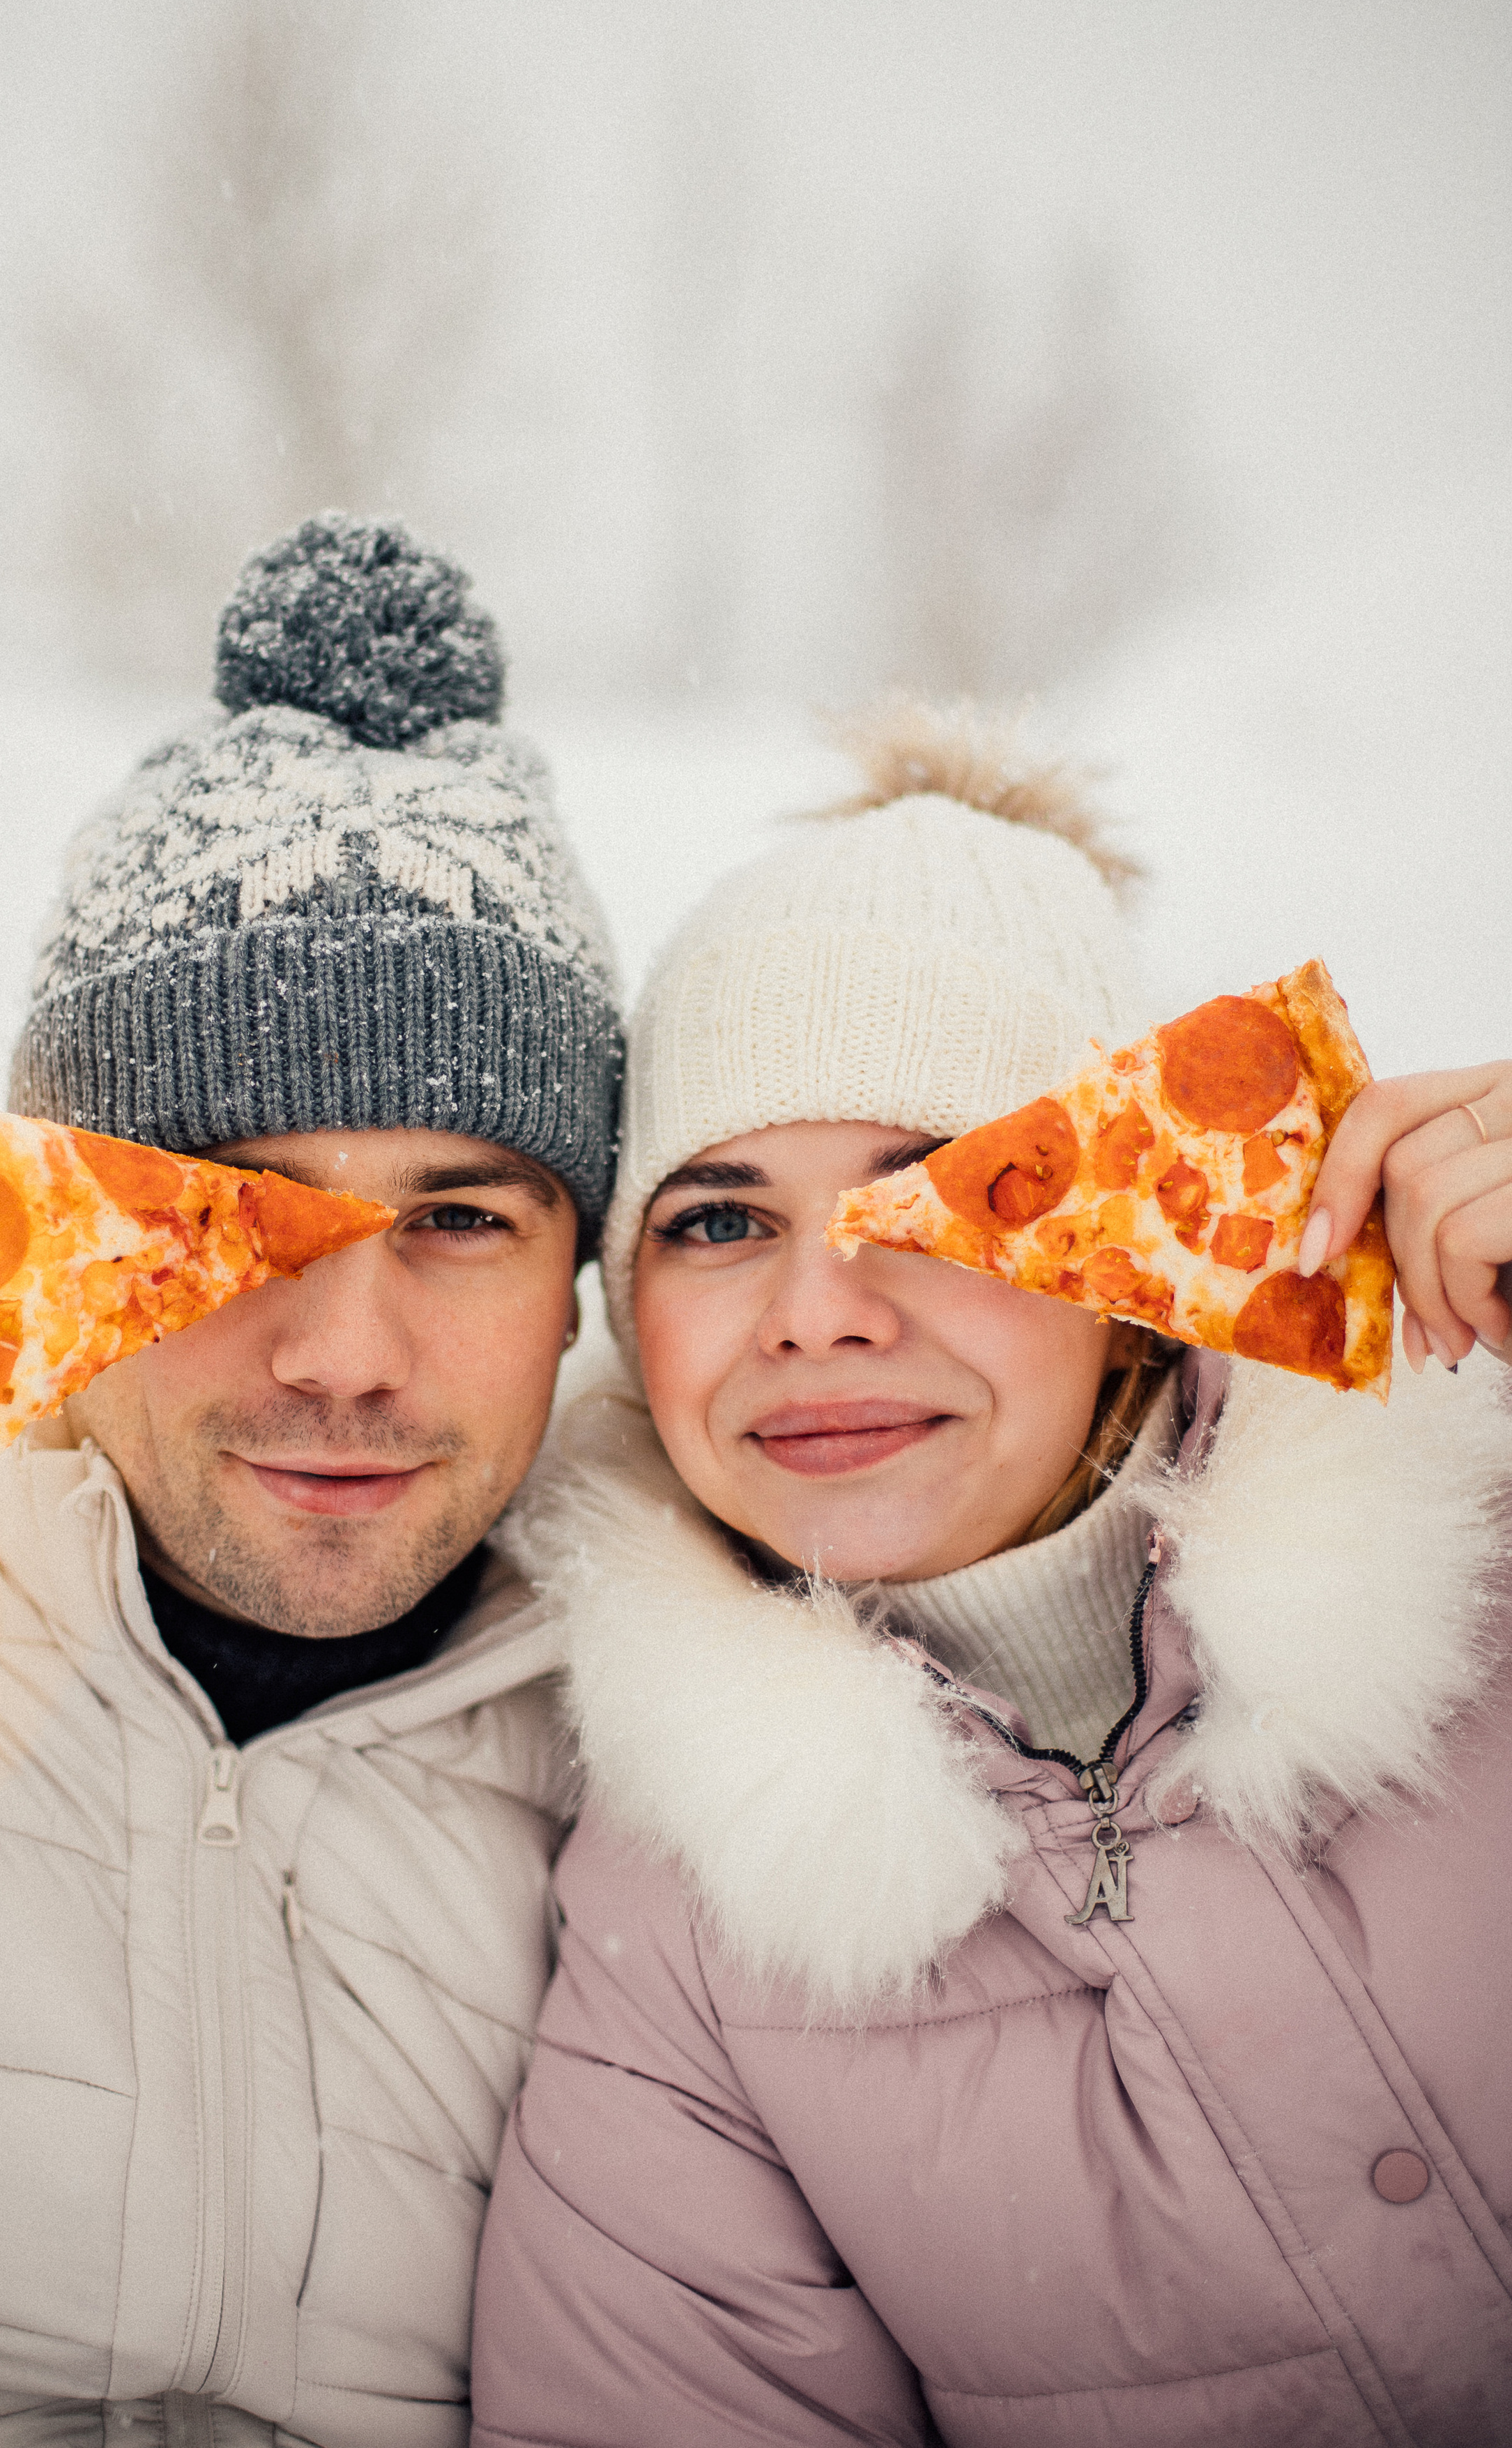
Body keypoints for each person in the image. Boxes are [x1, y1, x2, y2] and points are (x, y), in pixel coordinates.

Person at [471, 705, 1512, 2447]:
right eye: (717, 1221)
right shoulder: (680, 1932)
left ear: (1128, 1269)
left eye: (949, 1196)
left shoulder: (1484, 1558)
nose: (813, 1314)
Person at [0, 515, 624, 2448]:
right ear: (48, 1233)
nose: (344, 1354)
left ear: (584, 1287)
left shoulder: (703, 1770)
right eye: (221, 1217)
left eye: (461, 1219)